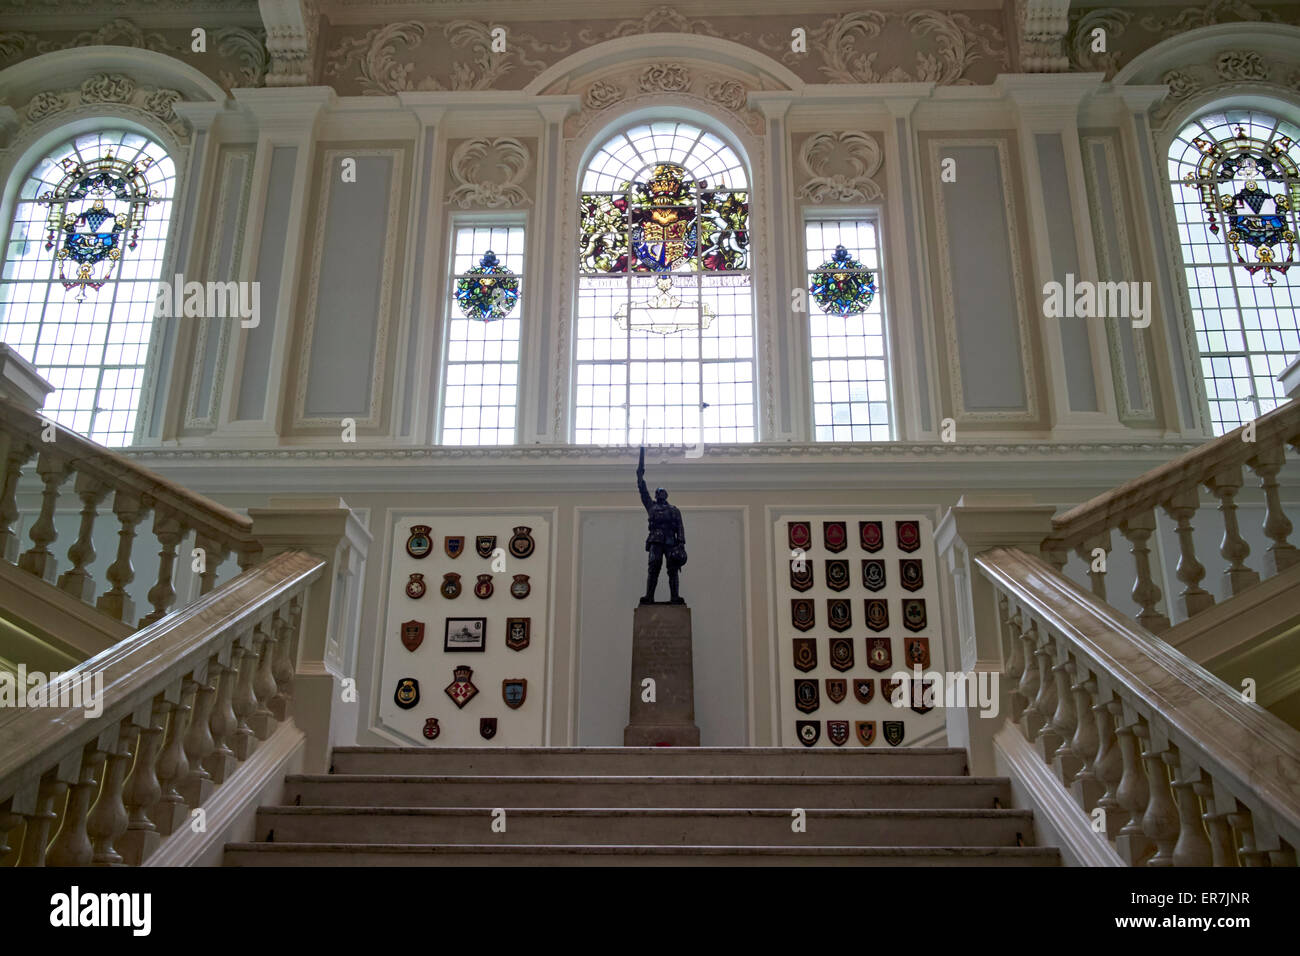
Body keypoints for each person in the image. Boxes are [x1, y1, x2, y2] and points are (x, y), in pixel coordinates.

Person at [636, 446, 687, 604]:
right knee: (653, 568)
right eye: (658, 493)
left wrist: (681, 544)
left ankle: (675, 597)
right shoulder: (651, 507)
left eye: (662, 493)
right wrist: (640, 477)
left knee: (672, 571)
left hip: (671, 541)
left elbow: (680, 527)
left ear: (666, 495)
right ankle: (649, 596)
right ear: (656, 495)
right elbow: (643, 491)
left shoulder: (673, 510)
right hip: (656, 541)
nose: (660, 495)